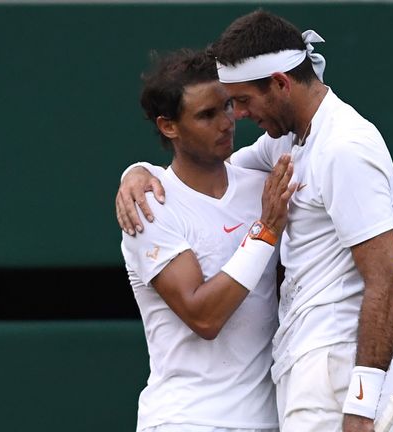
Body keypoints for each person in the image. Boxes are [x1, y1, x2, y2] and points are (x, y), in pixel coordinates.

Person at [117, 10, 393, 432]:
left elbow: (383, 285)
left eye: (239, 102)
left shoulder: (342, 147)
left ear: (281, 84)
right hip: (249, 398)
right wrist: (137, 172)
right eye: (216, 110)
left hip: (332, 378)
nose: (237, 118)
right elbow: (213, 174)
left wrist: (361, 406)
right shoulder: (282, 148)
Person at [121, 47, 298, 432]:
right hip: (185, 421)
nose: (227, 123)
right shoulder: (149, 210)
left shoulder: (260, 186)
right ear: (169, 126)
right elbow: (204, 316)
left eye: (228, 107)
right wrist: (265, 232)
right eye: (207, 115)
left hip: (268, 421)